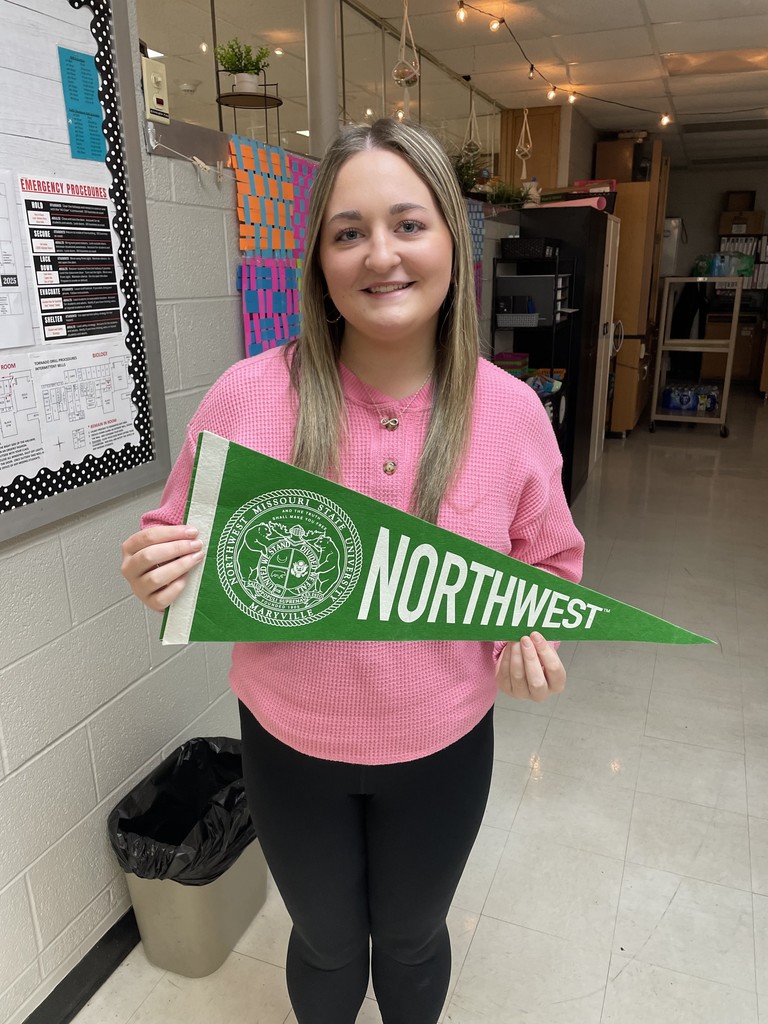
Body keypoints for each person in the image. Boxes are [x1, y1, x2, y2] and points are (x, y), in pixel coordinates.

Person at [121, 118, 584, 1024]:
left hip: (444, 745)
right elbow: (169, 533)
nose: (382, 255)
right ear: (321, 263)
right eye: (348, 231)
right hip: (288, 744)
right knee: (326, 942)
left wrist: (537, 626)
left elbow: (552, 561)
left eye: (409, 224)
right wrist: (156, 566)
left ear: (452, 239)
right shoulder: (249, 394)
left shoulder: (510, 412)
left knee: (412, 938)